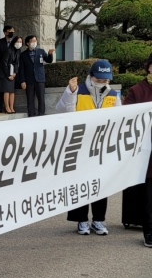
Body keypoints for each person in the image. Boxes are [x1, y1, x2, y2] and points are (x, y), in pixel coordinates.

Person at [56, 59, 120, 235]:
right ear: (91, 76)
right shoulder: (77, 90)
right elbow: (63, 112)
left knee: (101, 184)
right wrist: (71, 92)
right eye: (99, 79)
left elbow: (120, 119)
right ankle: (82, 220)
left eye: (105, 79)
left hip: (102, 147)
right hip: (80, 146)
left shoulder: (113, 94)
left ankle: (99, 220)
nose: (102, 82)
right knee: (80, 183)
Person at [122, 53, 152, 246]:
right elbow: (124, 118)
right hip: (146, 151)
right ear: (148, 67)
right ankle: (149, 232)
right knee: (149, 195)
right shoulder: (137, 90)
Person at [19, 36, 55, 117]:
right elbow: (21, 69)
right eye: (32, 41)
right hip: (29, 80)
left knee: (41, 99)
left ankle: (41, 114)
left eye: (35, 40)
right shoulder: (23, 55)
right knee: (30, 99)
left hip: (40, 79)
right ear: (28, 43)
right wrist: (22, 81)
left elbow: (49, 60)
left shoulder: (41, 51)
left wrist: (50, 54)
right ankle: (31, 115)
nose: (34, 42)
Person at [0, 25, 15, 113]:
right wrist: (2, 66)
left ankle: (10, 107)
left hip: (11, 70)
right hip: (0, 70)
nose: (11, 33)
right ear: (5, 32)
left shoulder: (15, 43)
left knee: (10, 90)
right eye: (10, 31)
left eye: (13, 31)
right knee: (0, 89)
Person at [0, 35, 22, 113]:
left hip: (12, 72)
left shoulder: (18, 51)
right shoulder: (8, 50)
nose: (19, 43)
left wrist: (15, 73)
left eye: (20, 42)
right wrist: (8, 75)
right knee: (6, 90)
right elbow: (4, 63)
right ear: (14, 42)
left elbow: (16, 63)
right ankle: (7, 107)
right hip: (4, 73)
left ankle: (12, 107)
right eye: (18, 41)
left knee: (12, 91)